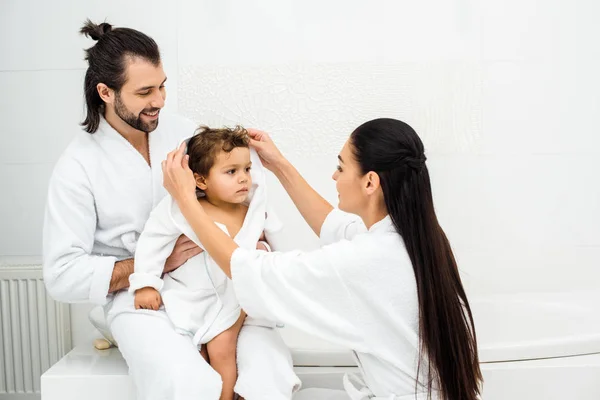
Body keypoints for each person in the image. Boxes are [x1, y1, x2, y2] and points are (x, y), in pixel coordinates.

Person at [43, 20, 296, 400]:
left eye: (162, 86)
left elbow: (237, 190)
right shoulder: (77, 166)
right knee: (187, 382)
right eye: (145, 91)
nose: (159, 100)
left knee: (266, 374)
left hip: (219, 286)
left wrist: (253, 239)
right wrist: (153, 263)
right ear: (105, 92)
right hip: (140, 296)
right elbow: (61, 275)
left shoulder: (184, 133)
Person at [162, 118, 483, 400]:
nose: (333, 176)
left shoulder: (367, 259)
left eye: (341, 167)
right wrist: (279, 165)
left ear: (370, 182)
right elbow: (333, 224)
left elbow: (249, 270)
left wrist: (186, 201)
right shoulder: (412, 238)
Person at [130, 126, 299, 399]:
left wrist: (264, 249)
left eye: (246, 169)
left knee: (221, 345)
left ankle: (226, 397)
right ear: (200, 180)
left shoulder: (254, 211)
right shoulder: (181, 209)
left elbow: (281, 244)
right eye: (231, 172)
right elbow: (153, 242)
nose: (244, 178)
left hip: (236, 297)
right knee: (196, 352)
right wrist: (146, 284)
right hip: (194, 295)